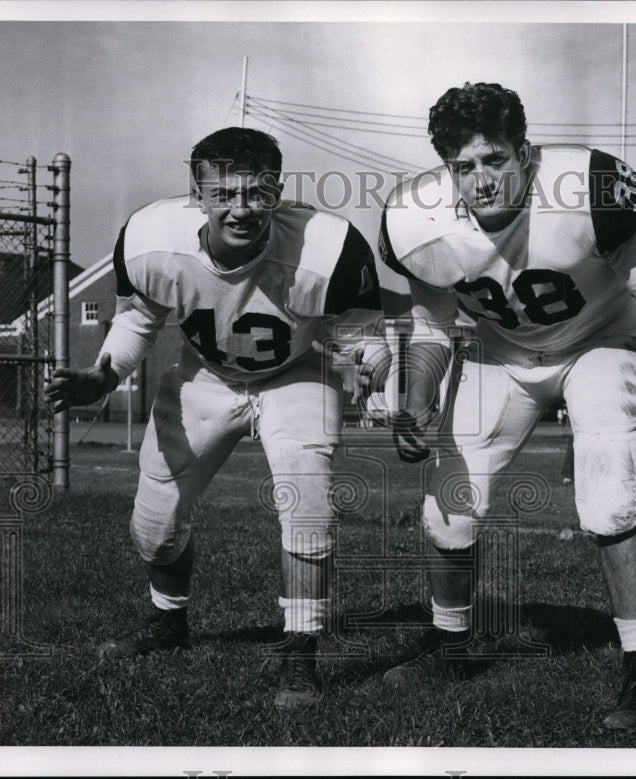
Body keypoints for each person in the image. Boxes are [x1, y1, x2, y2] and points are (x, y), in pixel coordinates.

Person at [379, 82, 636, 733]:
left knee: (609, 499)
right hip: (504, 353)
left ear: (528, 151)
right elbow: (434, 326)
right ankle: (452, 643)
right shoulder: (415, 219)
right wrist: (416, 395)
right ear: (447, 169)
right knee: (447, 507)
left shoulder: (588, 186)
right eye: (465, 166)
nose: (482, 179)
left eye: (495, 159)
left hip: (601, 341)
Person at [44, 127, 388, 708]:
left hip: (296, 373)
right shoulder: (152, 238)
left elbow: (358, 337)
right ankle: (167, 623)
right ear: (197, 193)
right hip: (205, 377)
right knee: (152, 529)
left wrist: (384, 374)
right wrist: (104, 374)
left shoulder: (328, 246)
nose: (241, 208)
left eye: (257, 193)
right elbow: (137, 321)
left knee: (307, 505)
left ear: (278, 191)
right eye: (224, 192)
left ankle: (299, 654)